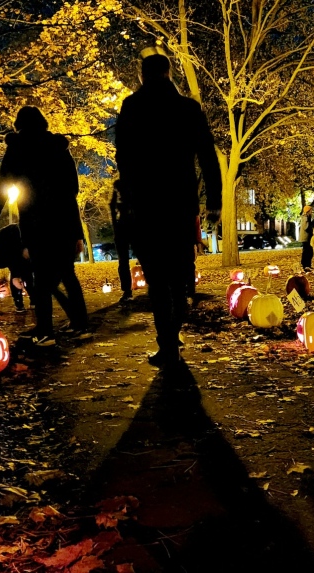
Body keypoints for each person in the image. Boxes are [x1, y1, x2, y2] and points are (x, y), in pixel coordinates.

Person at [115, 53, 222, 368]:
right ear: (169, 73)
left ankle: (168, 343)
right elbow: (207, 156)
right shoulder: (188, 109)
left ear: (142, 75)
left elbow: (123, 156)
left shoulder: (132, 107)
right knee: (178, 276)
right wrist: (213, 200)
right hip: (179, 203)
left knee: (157, 279)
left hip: (146, 205)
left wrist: (131, 189)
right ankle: (173, 336)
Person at [0, 106, 90, 347]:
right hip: (64, 220)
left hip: (37, 222)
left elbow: (2, 186)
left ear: (18, 124)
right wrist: (76, 231)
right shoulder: (59, 150)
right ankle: (81, 325)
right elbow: (72, 190)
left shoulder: (18, 150)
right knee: (68, 274)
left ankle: (46, 331)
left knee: (42, 278)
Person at [108, 180, 134, 304]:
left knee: (123, 262)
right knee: (123, 262)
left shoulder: (126, 197)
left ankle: (127, 291)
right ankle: (127, 291)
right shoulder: (118, 198)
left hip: (127, 228)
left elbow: (112, 208)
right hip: (122, 229)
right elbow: (112, 208)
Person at [299, 205, 314, 271]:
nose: (312, 212)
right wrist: (312, 228)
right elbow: (306, 227)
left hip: (307, 237)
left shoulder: (307, 217)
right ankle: (306, 265)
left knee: (308, 251)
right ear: (307, 211)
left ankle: (307, 265)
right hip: (306, 238)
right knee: (307, 251)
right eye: (311, 210)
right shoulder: (305, 217)